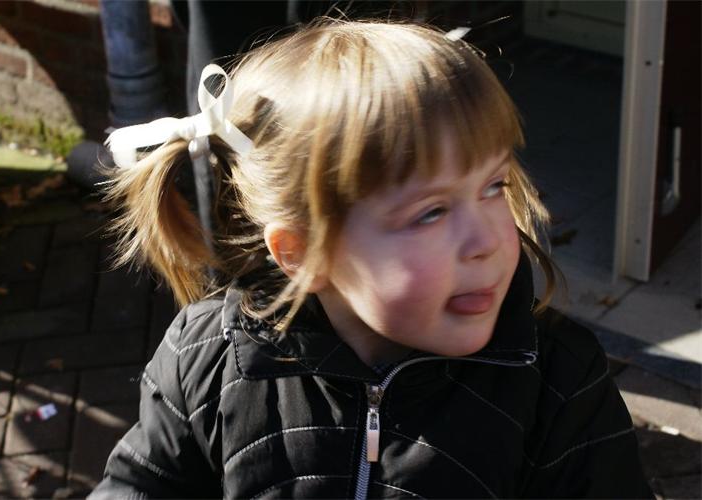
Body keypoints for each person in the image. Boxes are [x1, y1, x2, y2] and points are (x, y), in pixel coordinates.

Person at [89, 19, 653, 499]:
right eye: (431, 212)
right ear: (302, 253)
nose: (487, 240)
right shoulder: (205, 360)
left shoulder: (558, 382)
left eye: (493, 187)